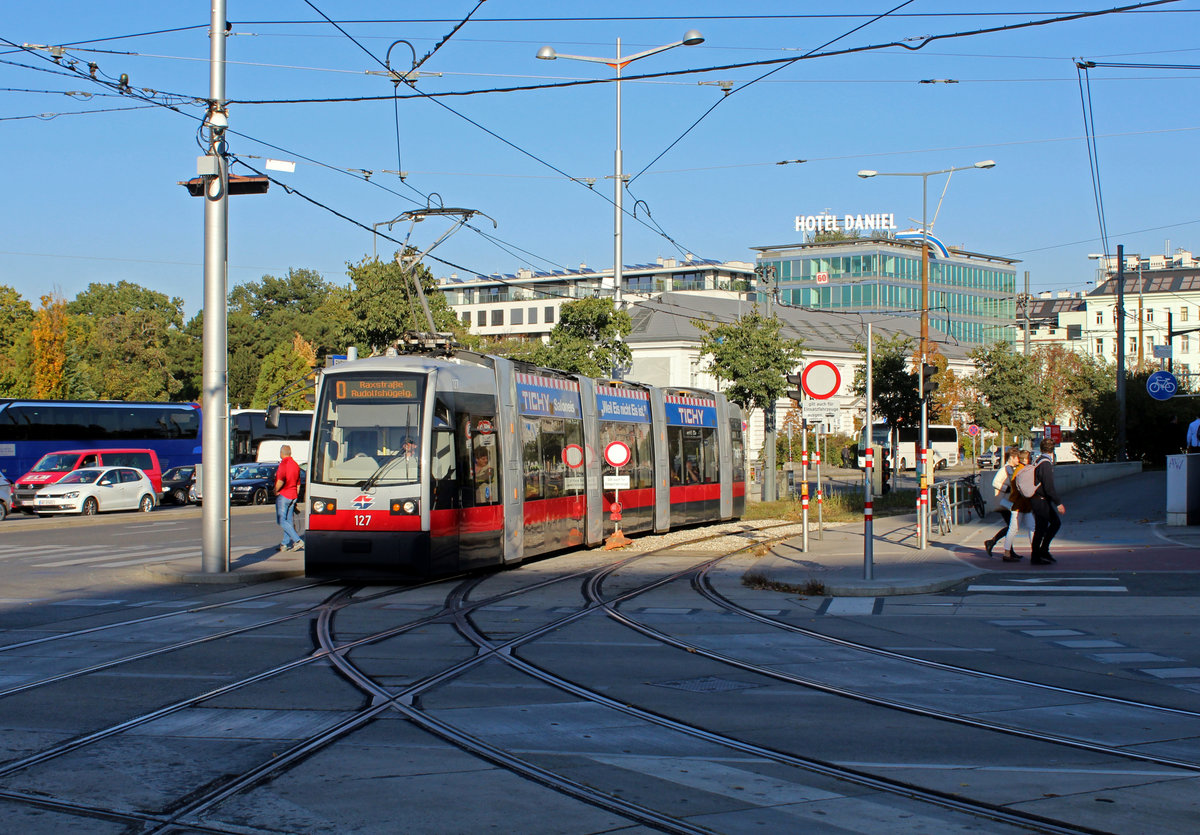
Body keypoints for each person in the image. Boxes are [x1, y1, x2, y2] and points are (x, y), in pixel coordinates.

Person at [1029, 439, 1064, 565]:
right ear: (1052, 449)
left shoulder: (1038, 460)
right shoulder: (1046, 464)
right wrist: (1058, 503)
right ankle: (1038, 554)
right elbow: (1049, 487)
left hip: (1037, 499)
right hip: (1041, 500)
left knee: (1044, 527)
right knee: (1049, 525)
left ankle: (1041, 551)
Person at [983, 447, 1018, 558]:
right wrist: (1006, 489)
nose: (1018, 460)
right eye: (1017, 458)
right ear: (1011, 458)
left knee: (1011, 527)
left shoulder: (1011, 468)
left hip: (1007, 501)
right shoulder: (1004, 469)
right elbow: (995, 482)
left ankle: (1009, 551)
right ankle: (992, 542)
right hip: (1003, 502)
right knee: (1011, 527)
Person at [1002, 449, 1036, 562]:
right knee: (1028, 528)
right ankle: (1034, 550)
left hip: (1018, 504)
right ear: (1026, 459)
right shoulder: (1024, 471)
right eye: (1029, 458)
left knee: (1015, 529)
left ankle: (1007, 552)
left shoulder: (1017, 470)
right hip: (1022, 504)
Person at [274, 444, 304, 552]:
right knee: (289, 520)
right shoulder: (296, 465)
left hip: (284, 495)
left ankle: (298, 540)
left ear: (281, 454)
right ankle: (284, 544)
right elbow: (298, 484)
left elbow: (280, 480)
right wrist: (296, 496)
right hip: (293, 495)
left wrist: (275, 490)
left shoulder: (284, 464)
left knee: (281, 520)